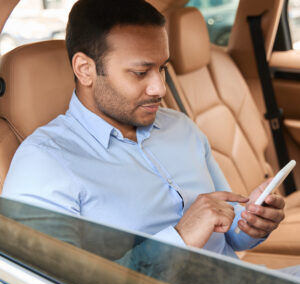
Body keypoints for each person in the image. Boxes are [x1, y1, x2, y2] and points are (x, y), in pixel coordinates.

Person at [1, 0, 285, 259]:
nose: (159, 88)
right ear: (85, 69)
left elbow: (230, 230)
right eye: (140, 73)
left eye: (162, 68)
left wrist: (251, 224)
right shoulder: (45, 162)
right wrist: (181, 237)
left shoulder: (181, 127)